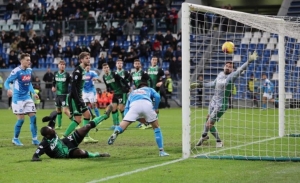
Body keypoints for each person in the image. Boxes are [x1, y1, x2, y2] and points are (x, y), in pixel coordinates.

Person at [195, 51, 258, 147]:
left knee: (209, 124)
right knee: (208, 120)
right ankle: (206, 136)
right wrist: (200, 84)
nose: (228, 67)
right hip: (213, 102)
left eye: (230, 66)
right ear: (224, 67)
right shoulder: (220, 74)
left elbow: (240, 69)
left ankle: (214, 140)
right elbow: (213, 84)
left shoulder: (231, 76)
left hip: (221, 105)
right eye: (227, 65)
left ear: (232, 70)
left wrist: (248, 61)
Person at [107, 82, 169, 157]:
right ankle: (161, 151)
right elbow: (157, 96)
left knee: (122, 126)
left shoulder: (132, 93)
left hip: (134, 105)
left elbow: (126, 109)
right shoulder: (149, 89)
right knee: (156, 127)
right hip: (146, 103)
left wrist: (136, 119)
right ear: (145, 86)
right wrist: (155, 107)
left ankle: (117, 131)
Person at [63, 52, 111, 143]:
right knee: (79, 119)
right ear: (81, 60)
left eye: (89, 58)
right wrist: (78, 100)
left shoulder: (84, 71)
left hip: (78, 97)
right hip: (75, 98)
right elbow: (73, 87)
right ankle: (64, 137)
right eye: (86, 58)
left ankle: (85, 137)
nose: (89, 60)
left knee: (85, 116)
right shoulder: (78, 71)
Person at [31, 110, 111, 161]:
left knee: (86, 127)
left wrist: (50, 117)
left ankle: (104, 116)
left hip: (65, 142)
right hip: (66, 153)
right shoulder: (44, 143)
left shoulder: (50, 130)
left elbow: (55, 113)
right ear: (47, 135)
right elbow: (35, 155)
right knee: (80, 153)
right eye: (51, 130)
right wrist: (35, 158)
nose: (53, 129)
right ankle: (97, 154)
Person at [4, 53, 40, 146]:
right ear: (22, 61)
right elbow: (7, 82)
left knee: (33, 117)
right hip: (18, 99)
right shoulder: (16, 71)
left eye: (29, 59)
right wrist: (8, 89)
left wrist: (34, 93)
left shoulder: (29, 70)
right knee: (21, 120)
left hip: (27, 97)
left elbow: (29, 83)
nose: (29, 61)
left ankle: (35, 139)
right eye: (27, 60)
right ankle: (15, 139)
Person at [102, 63, 130, 130]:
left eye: (107, 67)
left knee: (121, 108)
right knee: (114, 108)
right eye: (105, 68)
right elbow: (107, 85)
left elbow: (122, 80)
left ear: (109, 68)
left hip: (121, 92)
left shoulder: (114, 73)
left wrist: (127, 87)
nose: (106, 69)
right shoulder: (104, 77)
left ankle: (125, 124)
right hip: (115, 93)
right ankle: (116, 124)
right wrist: (108, 89)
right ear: (103, 69)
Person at [131, 59, 152, 128]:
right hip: (137, 92)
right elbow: (134, 82)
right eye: (135, 63)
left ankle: (148, 122)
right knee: (139, 108)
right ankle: (144, 122)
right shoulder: (133, 74)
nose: (137, 65)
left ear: (140, 65)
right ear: (134, 65)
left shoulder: (143, 72)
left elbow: (150, 80)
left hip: (143, 92)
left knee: (143, 108)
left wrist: (148, 89)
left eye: (138, 63)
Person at [52, 60, 72, 130]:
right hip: (58, 95)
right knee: (58, 110)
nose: (62, 66)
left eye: (64, 64)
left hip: (65, 95)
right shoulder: (55, 73)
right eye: (61, 64)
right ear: (58, 65)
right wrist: (53, 87)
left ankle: (75, 122)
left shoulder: (67, 74)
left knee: (65, 111)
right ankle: (59, 125)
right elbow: (54, 82)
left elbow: (71, 83)